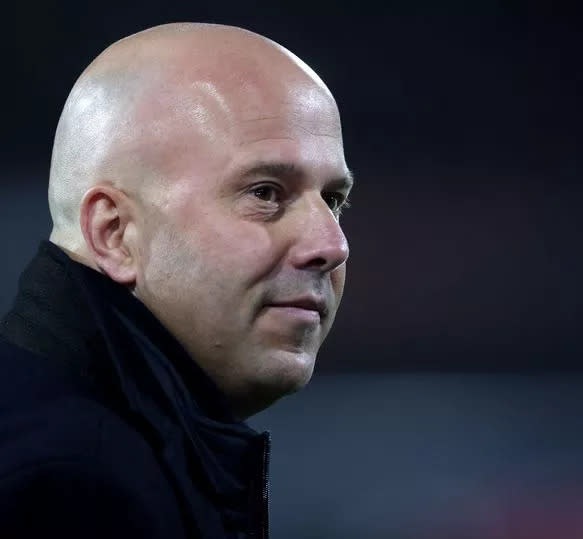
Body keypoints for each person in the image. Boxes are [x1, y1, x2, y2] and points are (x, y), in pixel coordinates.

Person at [0, 22, 352, 538]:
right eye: (265, 193)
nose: (331, 244)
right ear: (115, 233)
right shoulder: (68, 483)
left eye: (335, 200)